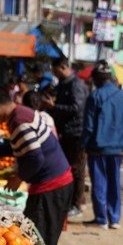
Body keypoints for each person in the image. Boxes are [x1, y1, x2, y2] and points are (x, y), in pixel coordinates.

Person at [0, 85, 74, 245]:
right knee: (36, 238)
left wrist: (18, 178)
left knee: (38, 242)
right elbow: (24, 145)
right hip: (55, 183)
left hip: (52, 186)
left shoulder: (19, 121)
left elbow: (35, 158)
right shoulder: (20, 113)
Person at [81, 61, 123, 229]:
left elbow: (89, 126)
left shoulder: (95, 97)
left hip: (98, 148)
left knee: (99, 183)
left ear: (97, 79)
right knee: (114, 183)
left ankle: (101, 218)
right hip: (118, 148)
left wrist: (83, 145)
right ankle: (115, 219)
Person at [44, 58, 89, 219]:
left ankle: (77, 204)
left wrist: (54, 107)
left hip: (76, 133)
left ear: (63, 67)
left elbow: (77, 108)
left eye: (56, 71)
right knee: (69, 168)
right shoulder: (63, 84)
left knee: (77, 169)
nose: (55, 75)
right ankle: (70, 202)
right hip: (66, 133)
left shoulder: (76, 84)